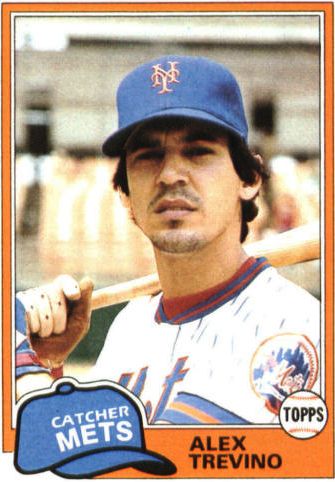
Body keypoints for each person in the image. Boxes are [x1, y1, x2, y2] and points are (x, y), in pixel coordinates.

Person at [15, 55, 320, 424]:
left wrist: (23, 372)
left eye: (198, 152)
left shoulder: (304, 329)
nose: (171, 174)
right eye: (149, 156)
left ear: (249, 179)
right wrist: (47, 365)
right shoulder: (128, 329)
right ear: (126, 196)